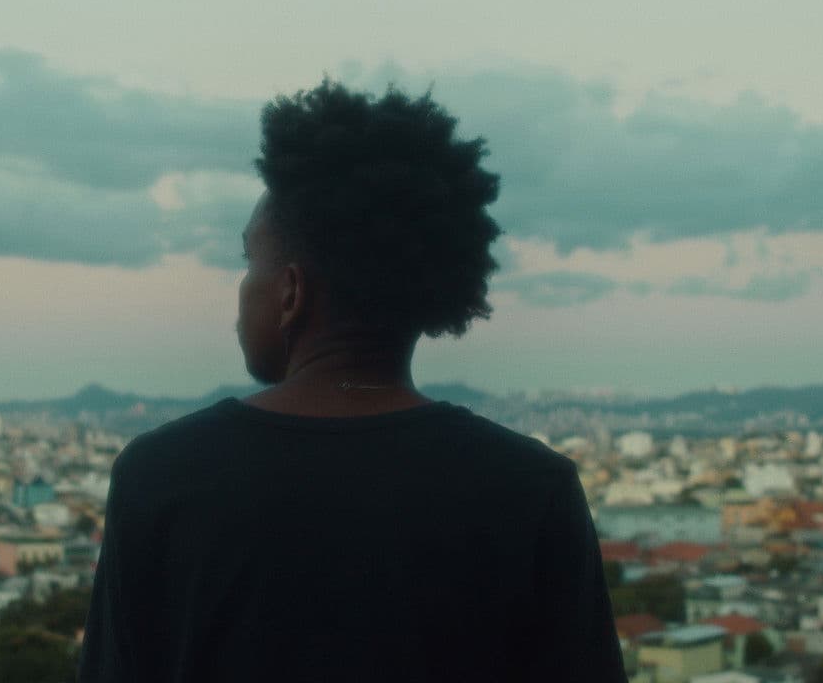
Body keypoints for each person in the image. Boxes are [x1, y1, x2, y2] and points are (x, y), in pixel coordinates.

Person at [78, 80, 626, 682]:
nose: (243, 290)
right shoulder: (533, 487)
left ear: (291, 293)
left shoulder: (162, 475)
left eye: (249, 262)